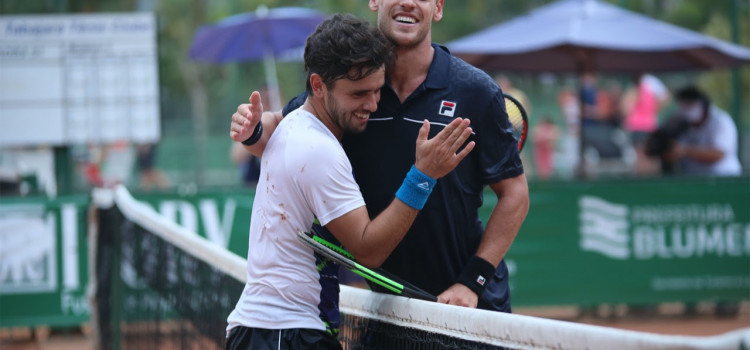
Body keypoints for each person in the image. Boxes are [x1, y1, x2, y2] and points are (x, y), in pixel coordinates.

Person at [230, 0, 529, 312]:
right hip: (389, 309)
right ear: (375, 2)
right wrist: (251, 128)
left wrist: (472, 282)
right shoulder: (353, 83)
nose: (409, 3)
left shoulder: (476, 91)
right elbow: (280, 128)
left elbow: (515, 194)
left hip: (469, 307)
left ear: (438, 8)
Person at [662, 86, 742, 176]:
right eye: (684, 105)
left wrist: (684, 151)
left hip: (724, 178)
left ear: (703, 105)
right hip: (692, 180)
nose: (687, 109)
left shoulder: (722, 121)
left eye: (691, 104)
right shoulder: (679, 121)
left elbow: (718, 154)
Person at [621, 73, 670, 175]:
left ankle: (645, 183)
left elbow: (625, 109)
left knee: (643, 157)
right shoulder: (644, 88)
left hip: (640, 127)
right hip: (646, 126)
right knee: (650, 157)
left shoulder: (640, 87)